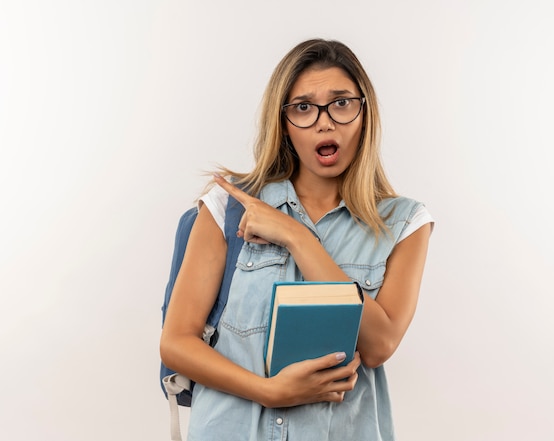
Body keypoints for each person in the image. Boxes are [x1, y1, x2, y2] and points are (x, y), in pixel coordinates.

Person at [160, 38, 434, 441]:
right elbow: (177, 342)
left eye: (341, 102)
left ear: (365, 112)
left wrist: (296, 237)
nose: (325, 122)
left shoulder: (405, 223)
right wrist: (269, 392)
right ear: (284, 122)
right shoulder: (229, 207)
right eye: (303, 107)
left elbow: (378, 344)